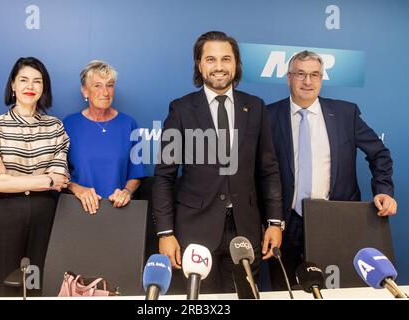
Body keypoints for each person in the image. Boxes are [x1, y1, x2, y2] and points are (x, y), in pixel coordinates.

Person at [152, 31, 283, 293]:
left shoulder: (255, 107)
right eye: (210, 59)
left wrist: (275, 223)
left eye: (226, 59)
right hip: (195, 232)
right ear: (199, 65)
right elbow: (165, 176)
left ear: (236, 64)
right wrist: (165, 233)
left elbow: (268, 170)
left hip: (245, 232)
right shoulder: (181, 109)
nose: (219, 67)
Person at [266, 50, 397, 290]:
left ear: (321, 78)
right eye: (301, 74)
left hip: (334, 220)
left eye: (314, 75)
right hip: (284, 225)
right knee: (284, 292)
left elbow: (380, 154)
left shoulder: (346, 114)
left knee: (336, 291)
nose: (307, 81)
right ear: (289, 78)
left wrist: (384, 190)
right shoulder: (267, 115)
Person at [0, 57, 70, 296]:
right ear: (13, 86)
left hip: (45, 214)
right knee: (0, 287)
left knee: (40, 286)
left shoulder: (55, 127)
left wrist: (11, 176)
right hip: (5, 213)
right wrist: (43, 179)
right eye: (24, 80)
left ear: (43, 88)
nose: (30, 86)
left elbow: (58, 179)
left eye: (38, 81)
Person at [63, 60, 145, 213]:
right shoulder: (69, 124)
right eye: (97, 85)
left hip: (118, 211)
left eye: (110, 85)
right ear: (85, 91)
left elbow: (136, 172)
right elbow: (58, 172)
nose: (105, 92)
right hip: (77, 210)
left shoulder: (129, 124)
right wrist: (77, 189)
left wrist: (126, 192)